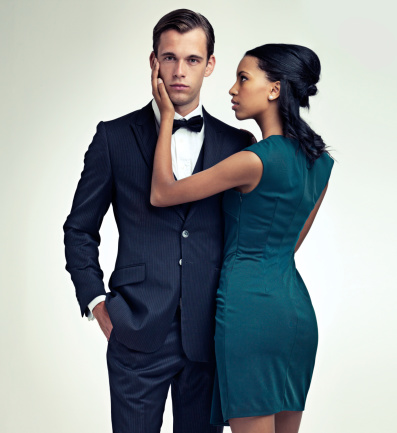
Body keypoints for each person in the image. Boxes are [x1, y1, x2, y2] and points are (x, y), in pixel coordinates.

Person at [63, 8, 254, 433]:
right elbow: (79, 228)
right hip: (136, 329)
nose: (179, 71)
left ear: (210, 65)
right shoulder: (113, 137)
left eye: (191, 60)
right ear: (153, 62)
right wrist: (97, 303)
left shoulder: (238, 144)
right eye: (169, 58)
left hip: (212, 333)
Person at [150, 43, 335, 433]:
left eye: (243, 78)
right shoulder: (320, 162)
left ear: (275, 89)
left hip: (248, 311)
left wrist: (167, 117)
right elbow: (290, 244)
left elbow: (162, 193)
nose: (233, 89)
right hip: (295, 313)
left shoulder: (252, 160)